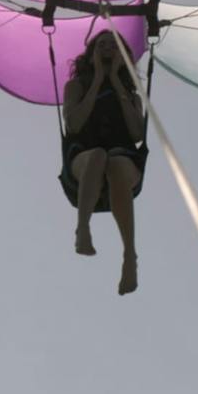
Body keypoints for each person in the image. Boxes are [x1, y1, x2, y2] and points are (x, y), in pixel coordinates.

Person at [59, 29, 149, 295]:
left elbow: (136, 133)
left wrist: (117, 82)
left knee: (115, 162)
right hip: (84, 158)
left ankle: (129, 257)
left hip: (123, 158)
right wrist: (98, 78)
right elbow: (74, 125)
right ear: (91, 53)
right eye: (102, 45)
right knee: (100, 156)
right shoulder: (75, 87)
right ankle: (82, 228)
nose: (108, 48)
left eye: (114, 45)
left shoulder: (131, 94)